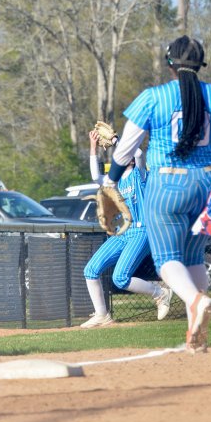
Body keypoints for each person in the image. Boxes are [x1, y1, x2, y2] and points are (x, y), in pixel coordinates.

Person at [105, 35, 211, 353]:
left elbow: (125, 148)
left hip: (168, 186)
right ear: (200, 63)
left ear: (170, 64)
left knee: (167, 261)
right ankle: (197, 336)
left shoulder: (154, 97)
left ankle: (196, 302)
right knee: (195, 257)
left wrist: (110, 179)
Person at [80, 129, 173, 328]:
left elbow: (139, 154)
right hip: (123, 232)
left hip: (142, 230)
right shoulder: (115, 181)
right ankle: (102, 315)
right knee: (90, 270)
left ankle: (161, 293)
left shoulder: (140, 175)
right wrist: (93, 146)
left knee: (120, 278)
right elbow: (95, 175)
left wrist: (115, 140)